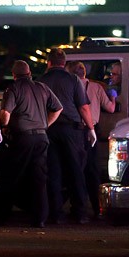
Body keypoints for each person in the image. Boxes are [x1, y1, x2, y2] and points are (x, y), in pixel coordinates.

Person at [0, 60, 63, 227]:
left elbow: (5, 114)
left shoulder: (13, 89)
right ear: (29, 73)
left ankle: (1, 216)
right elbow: (58, 108)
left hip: (22, 138)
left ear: (14, 75)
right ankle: (40, 219)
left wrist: (4, 127)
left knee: (11, 176)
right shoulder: (42, 87)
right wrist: (45, 124)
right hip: (42, 138)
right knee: (39, 179)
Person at [38, 49, 94, 224]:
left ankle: (56, 214)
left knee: (53, 172)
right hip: (72, 130)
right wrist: (91, 128)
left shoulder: (41, 81)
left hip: (49, 129)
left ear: (49, 62)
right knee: (76, 170)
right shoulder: (73, 79)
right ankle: (80, 213)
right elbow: (83, 107)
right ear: (64, 63)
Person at [68, 60, 116, 217]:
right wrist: (113, 97)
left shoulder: (70, 86)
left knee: (76, 169)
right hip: (93, 130)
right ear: (84, 72)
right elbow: (111, 108)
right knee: (93, 170)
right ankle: (97, 208)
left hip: (75, 131)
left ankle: (78, 208)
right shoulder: (96, 87)